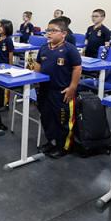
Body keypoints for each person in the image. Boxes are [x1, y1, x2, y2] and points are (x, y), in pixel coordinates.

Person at [34, 18, 82, 159]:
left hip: (61, 91)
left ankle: (64, 147)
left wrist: (72, 87)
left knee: (63, 120)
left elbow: (77, 68)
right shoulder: (44, 48)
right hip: (44, 90)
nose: (49, 33)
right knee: (47, 117)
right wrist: (35, 80)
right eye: (48, 30)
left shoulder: (69, 49)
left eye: (53, 31)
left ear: (63, 33)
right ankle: (52, 141)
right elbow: (38, 64)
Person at [0, 19, 15, 112]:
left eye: (1, 26)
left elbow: (10, 54)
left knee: (4, 87)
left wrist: (10, 66)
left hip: (5, 66)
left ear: (7, 28)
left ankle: (5, 104)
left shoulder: (8, 40)